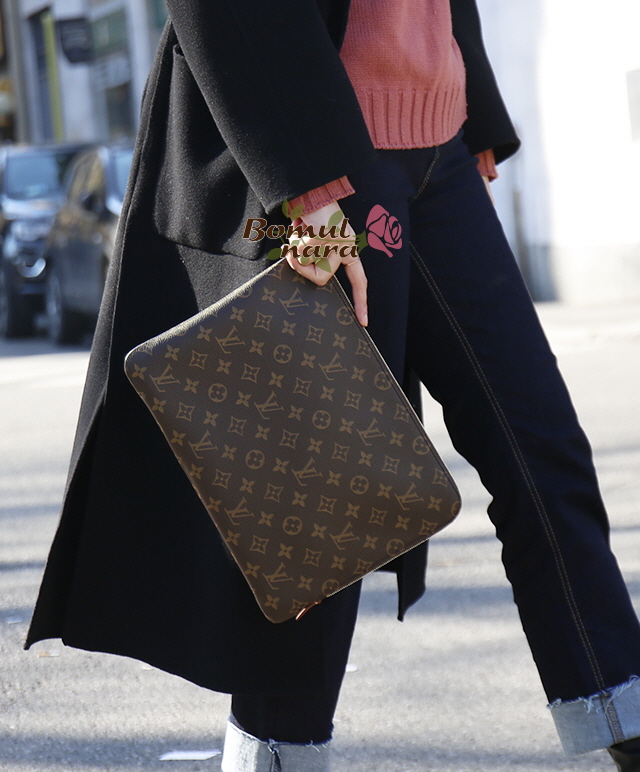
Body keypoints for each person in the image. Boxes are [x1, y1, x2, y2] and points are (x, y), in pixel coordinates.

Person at [25, 0, 640, 770]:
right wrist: (305, 183)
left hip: (440, 143)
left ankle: (623, 713)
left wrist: (473, 107)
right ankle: (277, 757)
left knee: (540, 446)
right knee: (326, 496)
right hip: (327, 145)